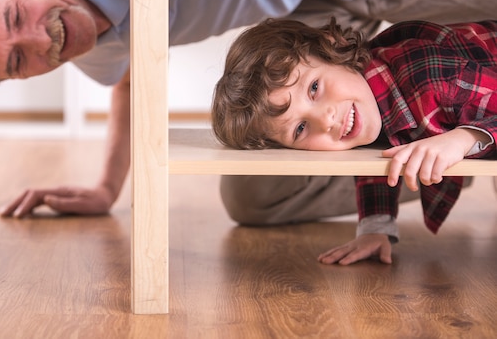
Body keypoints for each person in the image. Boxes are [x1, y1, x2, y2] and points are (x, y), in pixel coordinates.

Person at [0, 0, 497, 223]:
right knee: (256, 196)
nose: (43, 40)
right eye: (19, 61)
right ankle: (438, 168)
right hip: (323, 17)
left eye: (18, 16)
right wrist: (106, 188)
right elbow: (130, 77)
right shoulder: (80, 44)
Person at [211, 17, 497, 265]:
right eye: (300, 129)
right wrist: (375, 228)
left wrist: (462, 138)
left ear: (333, 47)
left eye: (314, 88)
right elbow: (375, 161)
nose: (326, 120)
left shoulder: (432, 78)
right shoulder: (367, 101)